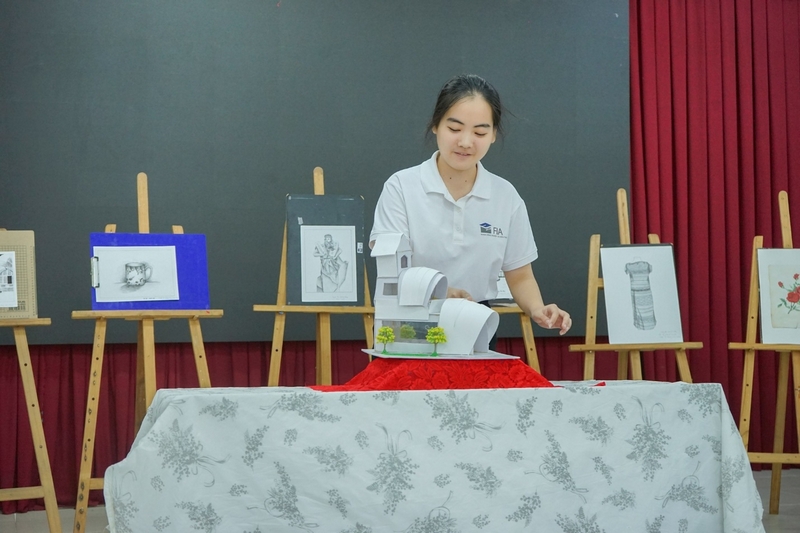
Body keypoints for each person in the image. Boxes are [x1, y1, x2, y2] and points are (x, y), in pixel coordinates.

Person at [370, 74, 571, 336]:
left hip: (475, 327)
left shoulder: (505, 196)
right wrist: (438, 292)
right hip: (408, 323)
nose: (466, 142)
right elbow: (392, 270)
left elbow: (520, 275)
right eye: (455, 129)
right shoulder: (401, 187)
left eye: (479, 132)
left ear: (494, 134)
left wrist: (538, 309)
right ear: (435, 125)